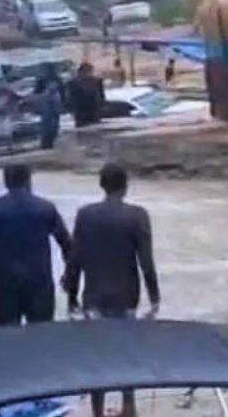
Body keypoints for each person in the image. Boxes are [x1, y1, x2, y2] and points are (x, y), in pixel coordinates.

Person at [64, 163, 160, 417]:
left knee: (97, 355)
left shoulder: (85, 215)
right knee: (126, 352)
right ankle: (129, 407)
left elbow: (76, 259)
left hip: (93, 295)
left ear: (101, 185)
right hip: (127, 295)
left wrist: (71, 296)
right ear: (125, 186)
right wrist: (155, 298)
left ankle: (97, 412)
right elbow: (146, 261)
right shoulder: (138, 215)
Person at [0, 164, 71, 326]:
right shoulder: (45, 208)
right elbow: (66, 244)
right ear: (28, 180)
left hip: (6, 284)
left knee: (7, 339)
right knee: (42, 337)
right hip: (39, 283)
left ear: (6, 182)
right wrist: (69, 274)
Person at [67, 63, 105, 128]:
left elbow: (101, 95)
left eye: (90, 71)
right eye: (86, 71)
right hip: (81, 111)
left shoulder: (97, 81)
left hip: (93, 110)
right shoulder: (73, 83)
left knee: (95, 129)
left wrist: (101, 104)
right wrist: (71, 109)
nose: (89, 73)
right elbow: (70, 97)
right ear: (80, 72)